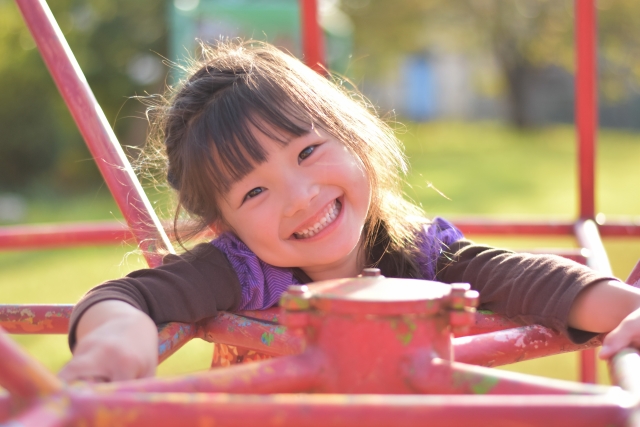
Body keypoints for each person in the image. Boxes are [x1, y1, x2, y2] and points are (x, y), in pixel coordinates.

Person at [59, 40, 640, 383]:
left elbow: (530, 279)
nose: (300, 196)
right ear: (224, 226)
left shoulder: (421, 251)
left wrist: (625, 309)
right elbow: (129, 296)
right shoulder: (238, 270)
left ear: (354, 138)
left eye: (308, 152)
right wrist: (117, 335)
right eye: (253, 193)